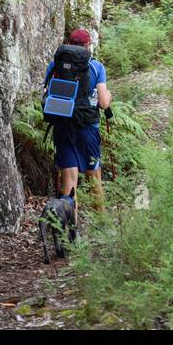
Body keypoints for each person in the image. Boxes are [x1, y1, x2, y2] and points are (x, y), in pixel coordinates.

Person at [44, 28, 111, 211]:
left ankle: (70, 234)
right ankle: (103, 221)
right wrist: (109, 96)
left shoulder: (55, 65)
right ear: (88, 45)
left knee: (69, 181)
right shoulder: (96, 67)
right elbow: (104, 103)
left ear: (69, 43)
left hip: (63, 126)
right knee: (93, 175)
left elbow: (47, 95)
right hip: (88, 127)